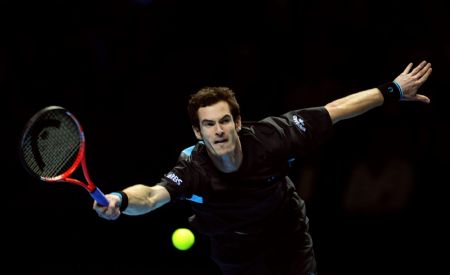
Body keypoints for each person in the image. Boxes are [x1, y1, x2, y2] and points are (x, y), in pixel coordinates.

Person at [94, 60, 432, 275]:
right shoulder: (192, 167)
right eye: (209, 125)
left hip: (286, 234)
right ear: (198, 132)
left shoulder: (274, 136)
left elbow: (336, 110)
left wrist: (392, 90)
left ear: (237, 121)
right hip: (235, 249)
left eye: (225, 120)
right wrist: (120, 200)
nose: (219, 130)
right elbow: (152, 196)